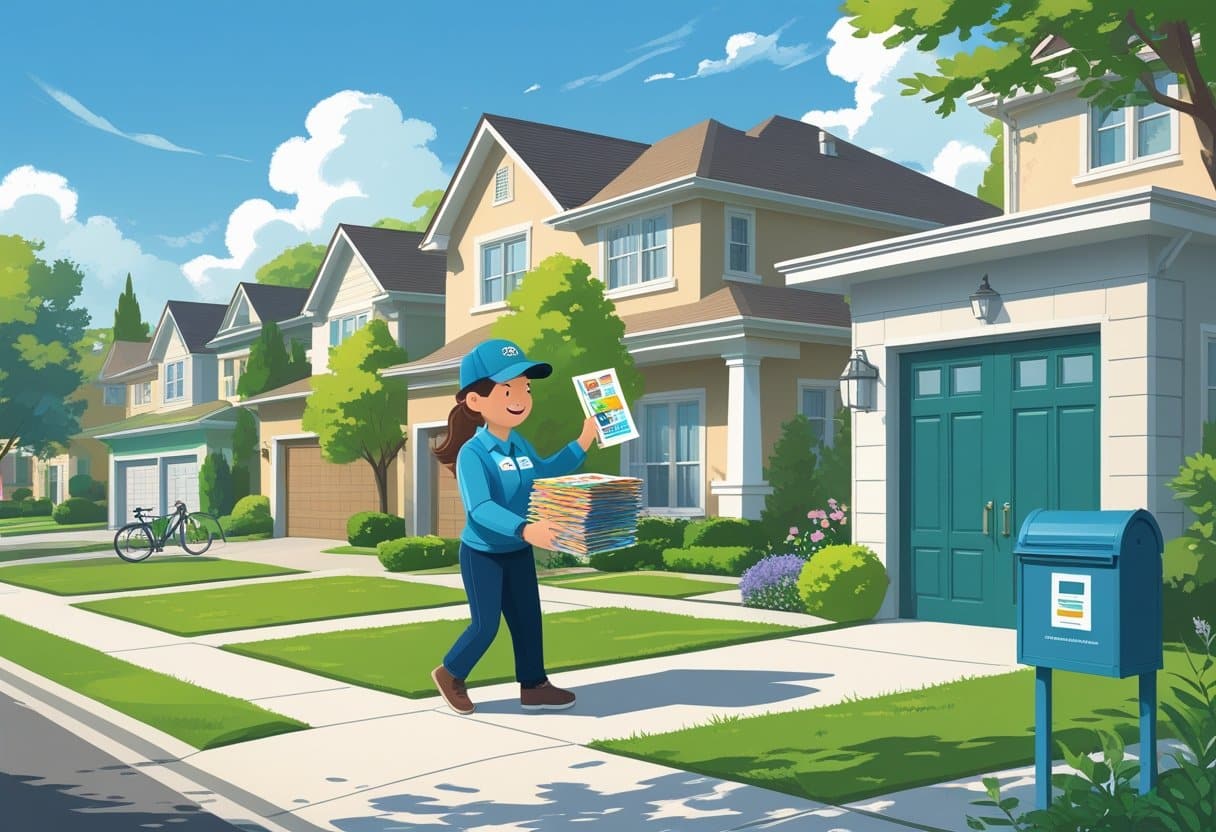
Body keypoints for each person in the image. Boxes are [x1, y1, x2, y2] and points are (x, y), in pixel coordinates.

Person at [430, 338, 598, 715]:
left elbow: (545, 471)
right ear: (475, 401)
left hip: (518, 552)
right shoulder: (472, 454)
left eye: (524, 387)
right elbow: (481, 508)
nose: (520, 396)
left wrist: (583, 440)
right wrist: (525, 529)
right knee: (486, 625)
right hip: (484, 554)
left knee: (528, 620)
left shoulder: (518, 443)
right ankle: (451, 672)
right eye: (508, 389)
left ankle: (534, 685)